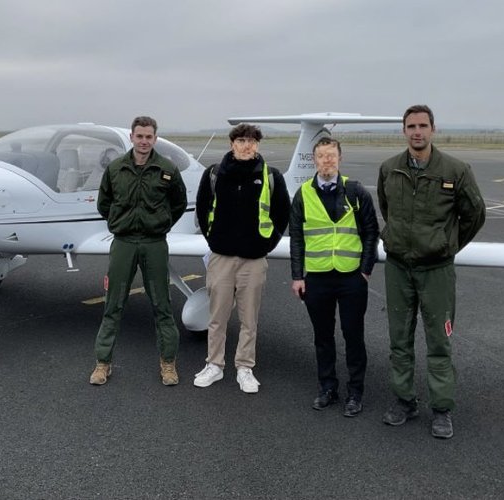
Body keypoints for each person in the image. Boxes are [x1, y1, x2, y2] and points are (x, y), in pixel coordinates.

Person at [377, 104, 486, 439]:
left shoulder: (456, 170)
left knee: (439, 341)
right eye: (411, 126)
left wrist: (446, 245)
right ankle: (404, 400)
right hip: (397, 268)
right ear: (404, 131)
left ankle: (442, 409)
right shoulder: (389, 169)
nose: (417, 131)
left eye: (423, 125)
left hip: (436, 270)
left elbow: (475, 215)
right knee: (399, 339)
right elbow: (386, 207)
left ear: (433, 129)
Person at [91, 116, 188, 386]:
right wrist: (120, 222)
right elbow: (104, 203)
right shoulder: (115, 169)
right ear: (132, 137)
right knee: (113, 304)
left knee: (162, 305)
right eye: (139, 136)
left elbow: (178, 203)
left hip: (154, 244)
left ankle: (168, 364)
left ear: (155, 139)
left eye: (149, 137)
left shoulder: (167, 169)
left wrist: (161, 224)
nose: (144, 141)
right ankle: (102, 363)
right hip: (123, 243)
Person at [194, 123, 290, 393]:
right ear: (231, 144)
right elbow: (202, 210)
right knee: (217, 316)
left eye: (252, 141)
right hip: (221, 256)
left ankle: (245, 367)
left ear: (257, 145)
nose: (247, 145)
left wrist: (266, 244)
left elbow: (283, 213)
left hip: (254, 259)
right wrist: (213, 240)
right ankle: (214, 364)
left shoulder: (271, 176)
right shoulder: (213, 174)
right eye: (241, 140)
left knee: (250, 318)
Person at [289, 137, 379, 416]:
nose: (326, 161)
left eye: (331, 156)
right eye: (321, 156)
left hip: (351, 277)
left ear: (340, 159)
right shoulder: (303, 194)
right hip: (317, 278)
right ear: (314, 160)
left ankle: (355, 392)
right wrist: (297, 276)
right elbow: (296, 239)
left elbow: (371, 232)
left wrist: (364, 271)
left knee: (353, 336)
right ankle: (327, 387)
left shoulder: (356, 191)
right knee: (322, 337)